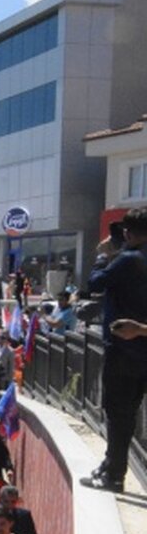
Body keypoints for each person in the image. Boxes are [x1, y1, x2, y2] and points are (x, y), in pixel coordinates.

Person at [82, 208, 147, 491]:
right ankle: (111, 464)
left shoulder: (128, 259)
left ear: (129, 234)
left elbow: (95, 283)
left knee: (117, 411)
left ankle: (114, 474)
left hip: (123, 349)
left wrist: (102, 257)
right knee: (129, 411)